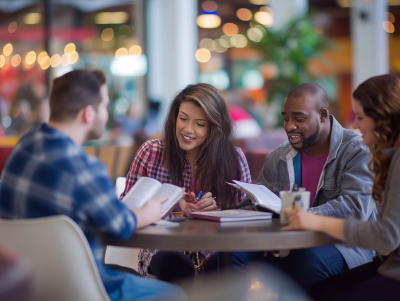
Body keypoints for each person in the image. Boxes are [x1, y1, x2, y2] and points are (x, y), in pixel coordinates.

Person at [0, 70, 185, 301]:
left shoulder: (24, 145)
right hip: (84, 288)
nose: (105, 114)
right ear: (89, 113)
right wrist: (149, 211)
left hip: (28, 285)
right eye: (104, 106)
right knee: (174, 293)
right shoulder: (84, 168)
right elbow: (120, 226)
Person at [231, 83, 376, 290]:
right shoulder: (277, 157)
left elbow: (355, 208)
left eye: (299, 119)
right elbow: (254, 205)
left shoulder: (357, 151)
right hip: (288, 245)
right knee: (230, 258)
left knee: (310, 262)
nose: (289, 126)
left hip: (347, 245)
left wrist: (303, 217)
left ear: (323, 115)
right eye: (286, 118)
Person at [284, 75, 400, 300]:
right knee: (319, 290)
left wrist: (316, 220)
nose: (355, 125)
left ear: (385, 118)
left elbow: (386, 236)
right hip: (388, 265)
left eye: (361, 117)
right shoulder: (390, 156)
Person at [120, 83, 251, 282]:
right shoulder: (151, 152)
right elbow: (124, 209)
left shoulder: (234, 158)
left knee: (223, 266)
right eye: (183, 119)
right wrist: (172, 203)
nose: (188, 130)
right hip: (162, 247)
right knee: (177, 265)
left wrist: (218, 212)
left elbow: (247, 218)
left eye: (200, 124)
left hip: (214, 248)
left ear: (214, 127)